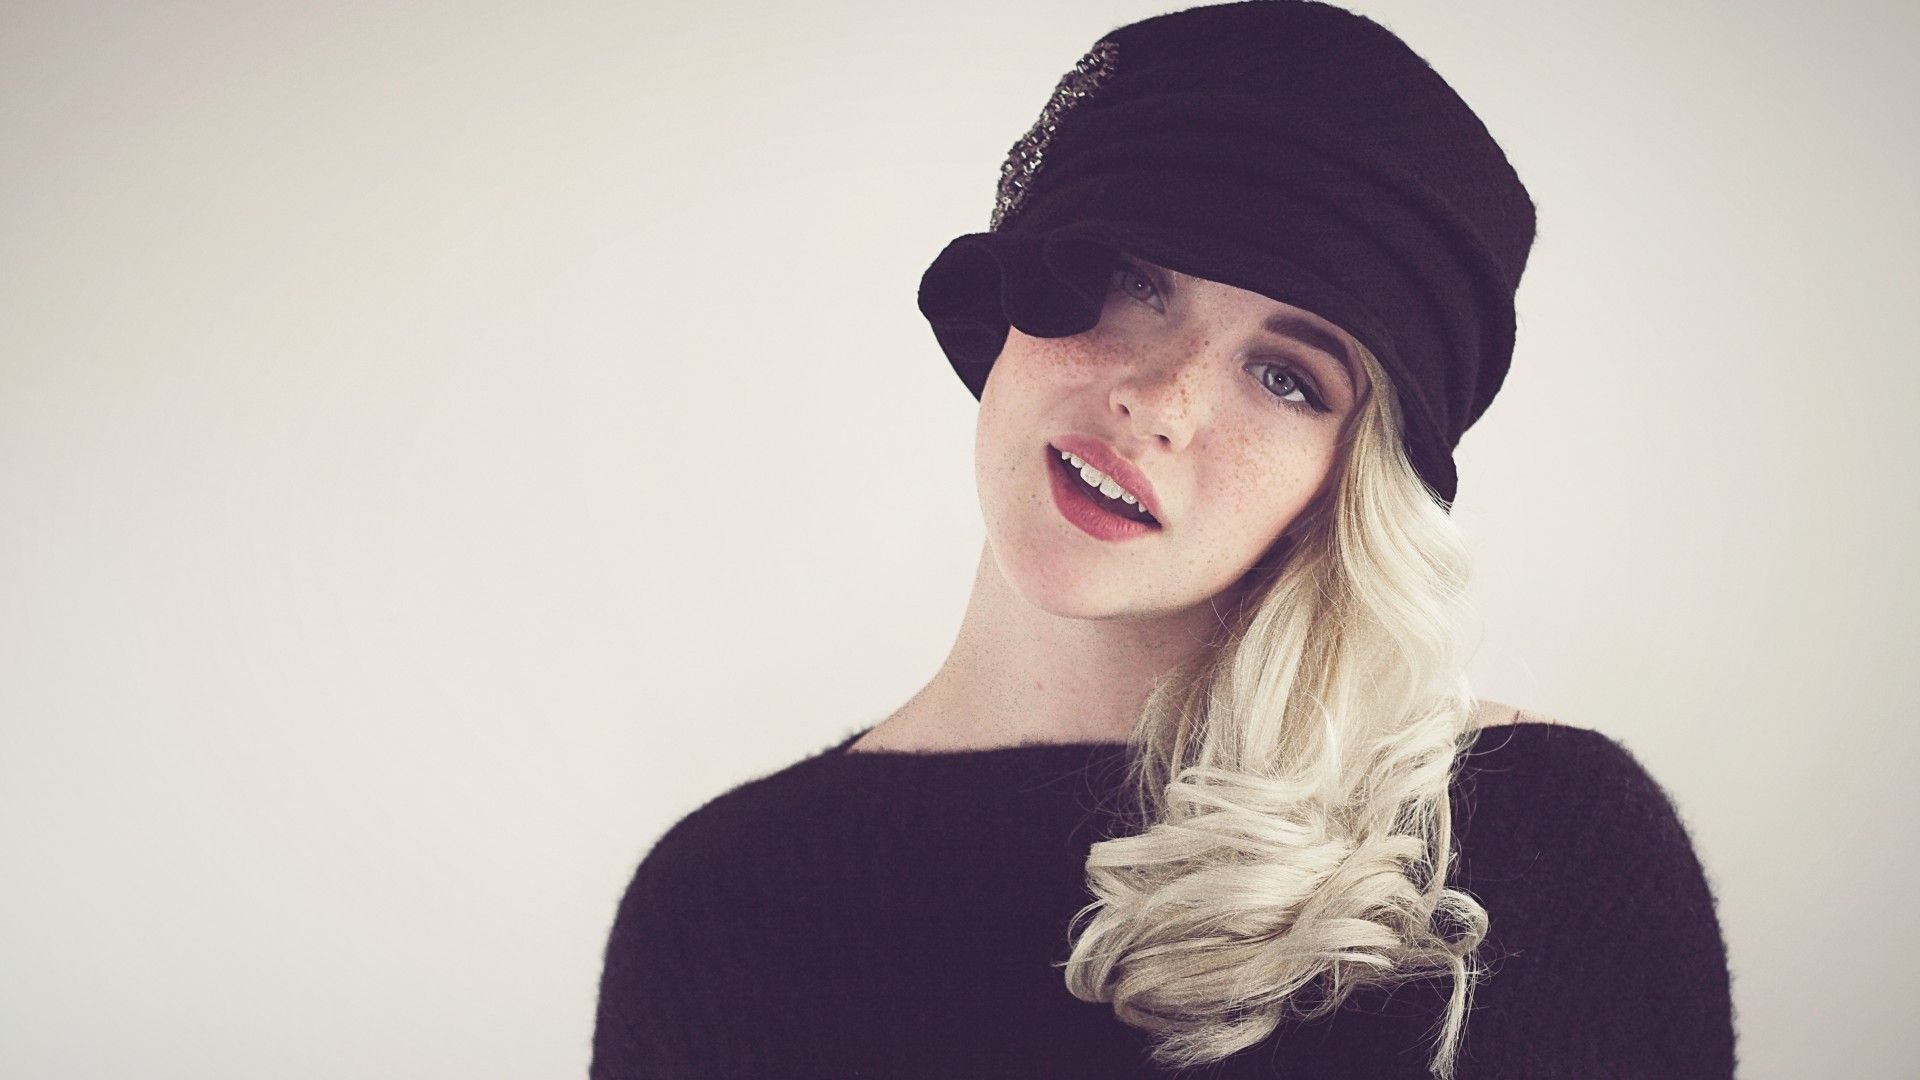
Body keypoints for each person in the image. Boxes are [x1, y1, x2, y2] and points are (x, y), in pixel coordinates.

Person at [590, 2, 1736, 1077]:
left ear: (1348, 478)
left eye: (1286, 376)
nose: (1162, 402)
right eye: (1137, 283)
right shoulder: (720, 905)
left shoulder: (1546, 845)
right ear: (1019, 291)